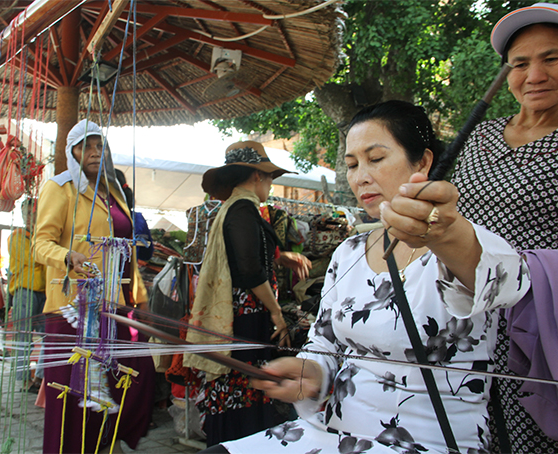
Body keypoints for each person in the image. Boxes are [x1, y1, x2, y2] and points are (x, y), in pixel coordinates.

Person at [199, 101, 531, 454]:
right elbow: (324, 344)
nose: (360, 177)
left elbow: (509, 282)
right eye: (353, 164)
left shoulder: (467, 244)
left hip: (428, 442)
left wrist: (448, 235)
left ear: (423, 162)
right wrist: (310, 372)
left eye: (376, 159)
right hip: (335, 434)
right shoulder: (349, 252)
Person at [451, 3, 558, 452]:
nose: (534, 74)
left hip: (539, 327)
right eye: (520, 63)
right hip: (464, 320)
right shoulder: (481, 134)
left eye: (552, 58)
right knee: (468, 431)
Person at [34, 119, 155, 453]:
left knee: (132, 378)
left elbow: (127, 249)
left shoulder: (115, 190)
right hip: (72, 309)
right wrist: (66, 256)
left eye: (100, 145)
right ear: (71, 151)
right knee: (74, 397)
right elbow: (39, 244)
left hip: (116, 306)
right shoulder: (59, 188)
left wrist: (139, 299)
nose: (94, 152)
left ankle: (106, 444)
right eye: (86, 146)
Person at [185, 141, 311, 446]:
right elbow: (250, 269)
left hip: (245, 318)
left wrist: (281, 257)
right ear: (257, 176)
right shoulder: (242, 210)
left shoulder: (241, 209)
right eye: (269, 177)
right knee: (240, 392)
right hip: (244, 319)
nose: (270, 184)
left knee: (246, 390)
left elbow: (250, 253)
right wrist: (276, 311)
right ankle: (238, 445)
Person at [8, 197, 47, 393]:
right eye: (28, 213)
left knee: (50, 335)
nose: (32, 217)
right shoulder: (18, 236)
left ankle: (39, 376)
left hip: (44, 291)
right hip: (25, 290)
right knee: (23, 337)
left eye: (35, 212)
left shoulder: (43, 235)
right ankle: (24, 380)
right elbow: (34, 258)